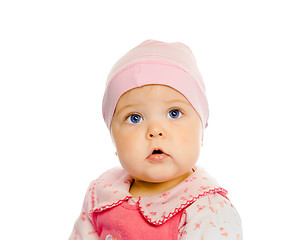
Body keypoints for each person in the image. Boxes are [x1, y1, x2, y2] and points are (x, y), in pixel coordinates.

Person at [69, 39, 242, 240]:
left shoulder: (208, 210)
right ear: (113, 138)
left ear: (201, 131)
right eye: (134, 118)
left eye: (174, 113)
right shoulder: (102, 194)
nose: (155, 131)